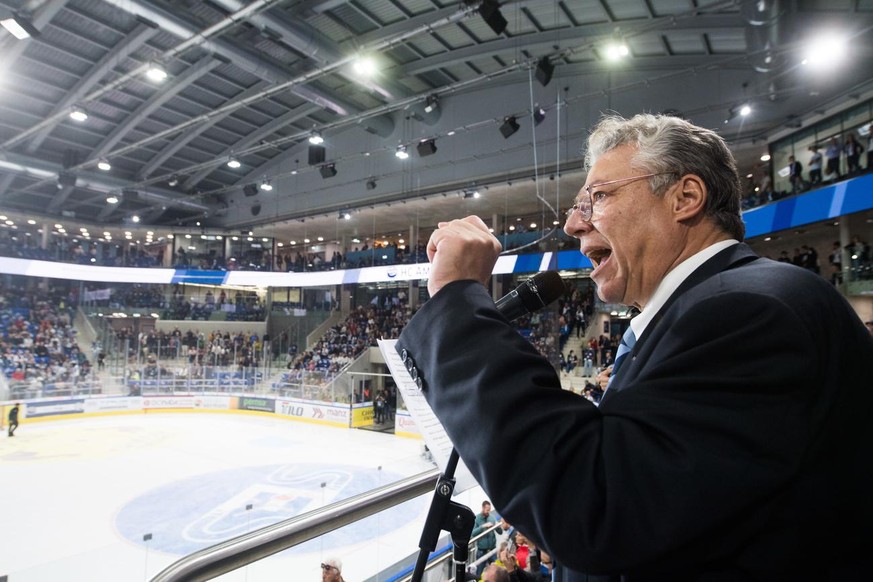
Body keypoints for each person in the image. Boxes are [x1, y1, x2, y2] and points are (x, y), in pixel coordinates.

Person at [396, 113, 873, 581]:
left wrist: (459, 302)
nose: (572, 225)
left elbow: (598, 505)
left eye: (598, 197)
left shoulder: (747, 312)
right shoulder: (713, 308)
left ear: (685, 197)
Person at [471, 500, 501, 575]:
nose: (488, 512)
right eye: (487, 510)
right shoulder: (477, 519)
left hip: (492, 550)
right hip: (481, 551)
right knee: (479, 573)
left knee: (497, 572)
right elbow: (473, 533)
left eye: (489, 510)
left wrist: (496, 526)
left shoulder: (492, 518)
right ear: (483, 508)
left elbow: (500, 532)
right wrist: (482, 527)